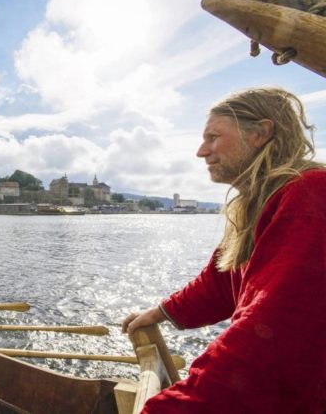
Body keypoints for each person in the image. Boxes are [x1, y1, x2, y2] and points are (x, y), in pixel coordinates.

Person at [122, 87, 326, 413]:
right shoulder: (261, 202)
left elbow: (271, 335)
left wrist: (172, 407)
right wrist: (160, 312)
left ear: (260, 133)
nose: (202, 151)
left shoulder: (310, 197)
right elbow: (220, 281)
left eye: (213, 137)